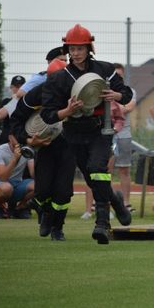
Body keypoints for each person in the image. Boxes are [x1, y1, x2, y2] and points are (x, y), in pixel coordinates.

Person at [41, 24, 133, 244]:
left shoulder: (105, 69)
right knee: (93, 179)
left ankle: (102, 224)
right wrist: (67, 111)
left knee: (97, 168)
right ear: (67, 49)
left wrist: (115, 95)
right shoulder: (58, 78)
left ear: (89, 48)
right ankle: (116, 201)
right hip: (73, 132)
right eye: (72, 48)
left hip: (101, 129)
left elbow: (127, 94)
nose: (75, 52)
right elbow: (48, 114)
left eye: (80, 48)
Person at [10, 58, 75, 240]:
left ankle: (58, 228)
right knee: (42, 190)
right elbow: (15, 121)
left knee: (63, 192)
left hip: (69, 146)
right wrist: (30, 139)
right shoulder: (36, 95)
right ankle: (45, 212)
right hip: (44, 146)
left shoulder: (77, 94)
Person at [0, 48, 67, 125]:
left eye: (66, 60)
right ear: (50, 62)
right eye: (61, 60)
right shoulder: (43, 77)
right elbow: (20, 93)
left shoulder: (67, 75)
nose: (64, 63)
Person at [0, 135, 34, 219]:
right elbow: (3, 178)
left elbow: (33, 174)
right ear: (10, 138)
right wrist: (14, 159)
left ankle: (20, 208)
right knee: (6, 187)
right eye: (16, 136)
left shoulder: (27, 149)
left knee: (40, 185)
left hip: (17, 184)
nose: (20, 139)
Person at [111, 63, 136, 210]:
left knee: (124, 169)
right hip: (107, 134)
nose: (118, 78)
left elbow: (129, 107)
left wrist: (115, 107)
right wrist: (120, 107)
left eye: (120, 75)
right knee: (105, 171)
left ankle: (126, 203)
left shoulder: (129, 91)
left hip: (124, 134)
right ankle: (108, 202)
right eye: (115, 75)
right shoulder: (104, 91)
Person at [0, 75, 26, 144]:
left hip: (23, 139)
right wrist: (15, 100)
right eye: (17, 87)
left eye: (22, 86)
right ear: (11, 87)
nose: (20, 89)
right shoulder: (6, 101)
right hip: (7, 140)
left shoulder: (29, 102)